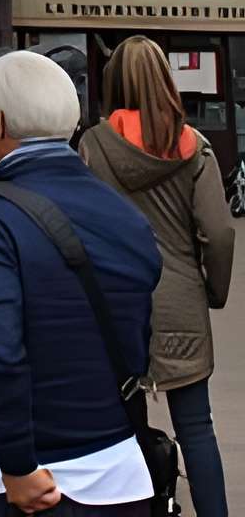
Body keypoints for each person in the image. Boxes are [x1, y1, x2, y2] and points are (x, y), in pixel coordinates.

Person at [0, 48, 162, 517]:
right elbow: (139, 327)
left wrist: (15, 462)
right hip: (118, 466)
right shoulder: (123, 214)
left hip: (32, 475)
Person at [81, 35, 234, 517]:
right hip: (180, 299)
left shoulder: (92, 146)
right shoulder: (194, 147)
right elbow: (219, 231)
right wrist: (212, 288)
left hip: (116, 304)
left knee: (124, 427)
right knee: (197, 428)